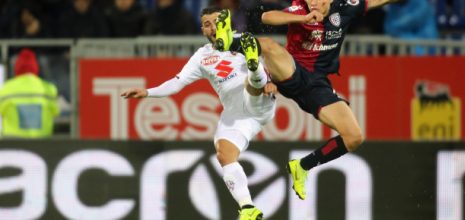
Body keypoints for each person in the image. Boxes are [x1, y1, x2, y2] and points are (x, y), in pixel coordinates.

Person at [214, 0, 399, 200]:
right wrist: (302, 18)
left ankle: (302, 166)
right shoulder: (301, 9)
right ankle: (229, 41)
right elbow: (267, 17)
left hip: (317, 85)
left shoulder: (347, 7)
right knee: (267, 45)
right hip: (291, 69)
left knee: (354, 137)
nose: (313, 2)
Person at [121, 6, 275, 220]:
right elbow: (177, 83)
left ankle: (256, 72)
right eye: (207, 24)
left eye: (216, 23)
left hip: (259, 102)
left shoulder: (244, 39)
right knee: (224, 154)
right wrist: (147, 92)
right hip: (235, 113)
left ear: (226, 24)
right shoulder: (202, 57)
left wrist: (272, 81)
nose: (212, 28)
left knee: (252, 80)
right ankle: (248, 208)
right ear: (202, 29)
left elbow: (277, 59)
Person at [0, 48, 59, 138]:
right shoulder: (49, 89)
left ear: (16, 67)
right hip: (43, 145)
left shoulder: (5, 88)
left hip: (12, 145)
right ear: (35, 67)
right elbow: (56, 112)